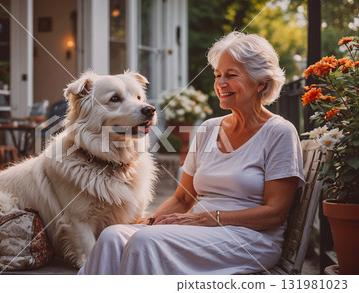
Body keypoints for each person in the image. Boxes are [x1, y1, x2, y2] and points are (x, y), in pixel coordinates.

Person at [78, 31, 305, 275]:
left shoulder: (279, 132)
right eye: (218, 75)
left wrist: (206, 218)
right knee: (113, 235)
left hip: (249, 238)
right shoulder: (209, 129)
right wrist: (151, 221)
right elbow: (183, 199)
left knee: (145, 242)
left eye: (231, 75)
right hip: (199, 229)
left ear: (260, 82)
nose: (220, 83)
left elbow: (275, 213)